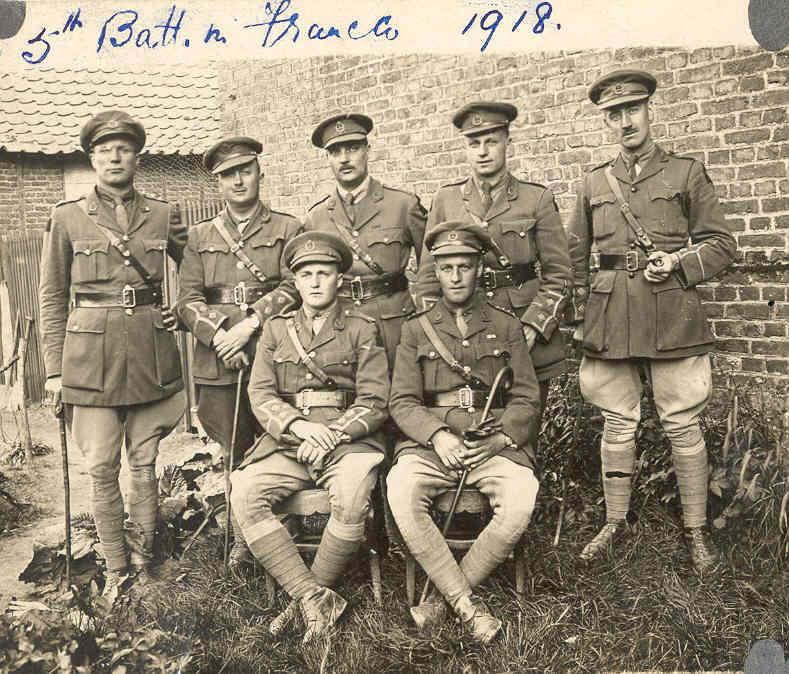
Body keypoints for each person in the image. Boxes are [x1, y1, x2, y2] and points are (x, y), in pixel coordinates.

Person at [567, 70, 737, 570]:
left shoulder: (685, 173)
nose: (624, 122)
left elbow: (723, 244)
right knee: (617, 423)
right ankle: (615, 522)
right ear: (607, 121)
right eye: (614, 115)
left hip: (671, 314)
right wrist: (579, 319)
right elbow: (575, 256)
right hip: (609, 317)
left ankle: (696, 530)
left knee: (682, 422)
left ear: (649, 111)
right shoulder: (595, 182)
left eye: (632, 111)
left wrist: (680, 263)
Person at [39, 110, 187, 595]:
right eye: (105, 150)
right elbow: (52, 296)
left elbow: (199, 273)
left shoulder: (164, 214)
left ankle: (147, 566)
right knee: (101, 465)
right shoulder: (67, 216)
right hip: (89, 361)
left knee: (144, 462)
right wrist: (54, 372)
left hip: (148, 352)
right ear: (92, 158)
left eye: (124, 148)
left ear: (137, 157)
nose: (115, 156)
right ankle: (117, 572)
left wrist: (179, 309)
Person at [229, 231, 389, 643]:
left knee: (353, 497)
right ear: (295, 283)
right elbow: (260, 393)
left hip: (347, 440)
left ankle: (300, 605)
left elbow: (375, 399)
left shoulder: (361, 328)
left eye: (324, 273)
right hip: (289, 440)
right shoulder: (277, 330)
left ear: (339, 279)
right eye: (306, 274)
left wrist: (332, 433)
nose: (316, 282)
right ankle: (312, 598)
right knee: (245, 492)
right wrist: (298, 427)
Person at [387, 221, 541, 643]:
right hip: (433, 447)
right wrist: (437, 435)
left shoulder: (507, 325)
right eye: (446, 268)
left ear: (479, 270)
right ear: (434, 272)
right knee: (401, 490)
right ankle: (469, 607)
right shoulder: (416, 329)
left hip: (491, 444)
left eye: (464, 267)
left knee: (521, 496)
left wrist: (499, 439)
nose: (455, 277)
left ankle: (441, 600)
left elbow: (527, 398)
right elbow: (401, 401)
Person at [176, 136, 302, 570]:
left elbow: (294, 287)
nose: (238, 180)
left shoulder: (288, 229)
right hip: (218, 361)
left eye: (245, 170)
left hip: (272, 354)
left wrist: (249, 326)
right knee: (233, 449)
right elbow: (187, 300)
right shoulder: (200, 236)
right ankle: (243, 536)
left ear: (259, 173)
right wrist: (220, 335)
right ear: (218, 183)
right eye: (229, 175)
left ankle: (284, 527)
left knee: (277, 441)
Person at [414, 101, 571, 412]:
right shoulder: (446, 201)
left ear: (507, 142)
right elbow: (428, 279)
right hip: (465, 332)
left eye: (491, 141)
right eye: (474, 143)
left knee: (524, 429)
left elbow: (560, 275)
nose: (483, 151)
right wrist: (444, 332)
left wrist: (534, 327)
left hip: (524, 329)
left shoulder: (536, 199)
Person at [304, 112, 426, 369]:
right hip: (342, 325)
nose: (345, 158)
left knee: (400, 396)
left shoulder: (403, 205)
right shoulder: (316, 218)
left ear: (368, 150)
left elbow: (431, 269)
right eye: (335, 152)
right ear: (328, 158)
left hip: (394, 325)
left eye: (353, 148)